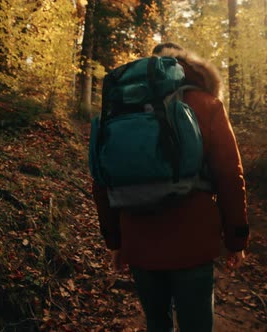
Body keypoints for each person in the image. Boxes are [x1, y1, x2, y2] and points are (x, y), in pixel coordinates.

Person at [92, 42, 249, 332]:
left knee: (156, 322)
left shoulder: (122, 108)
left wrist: (115, 241)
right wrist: (235, 239)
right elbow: (230, 175)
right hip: (194, 240)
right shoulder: (206, 103)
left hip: (139, 240)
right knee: (196, 325)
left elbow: (102, 180)